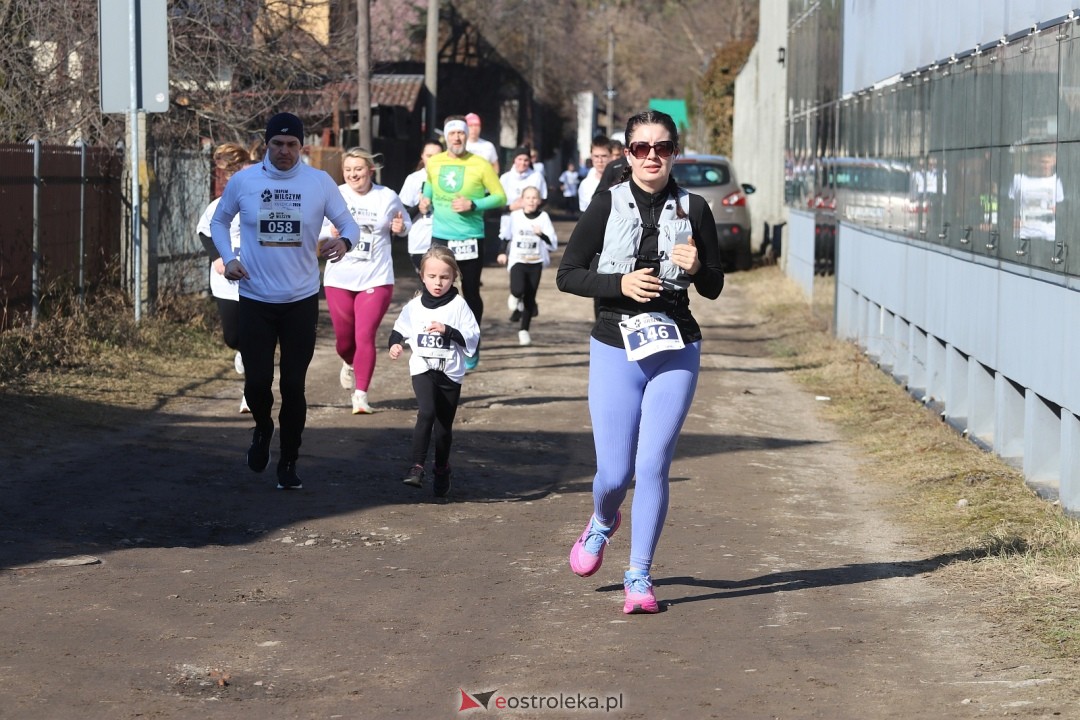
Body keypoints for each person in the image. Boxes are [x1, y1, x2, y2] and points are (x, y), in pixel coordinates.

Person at [556, 109, 724, 614]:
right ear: (628, 154)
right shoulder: (605, 205)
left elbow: (714, 285)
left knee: (651, 467)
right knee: (614, 473)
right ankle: (603, 521)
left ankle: (639, 576)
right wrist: (619, 284)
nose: (653, 156)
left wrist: (697, 269)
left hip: (676, 346)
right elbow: (568, 274)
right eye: (642, 148)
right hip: (615, 345)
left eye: (664, 147)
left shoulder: (695, 208)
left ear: (675, 152)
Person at [212, 112, 360, 490]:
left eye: (291, 144)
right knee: (258, 381)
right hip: (256, 297)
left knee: (294, 385)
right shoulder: (245, 181)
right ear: (266, 144)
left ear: (302, 146)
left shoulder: (319, 182)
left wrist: (343, 242)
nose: (284, 151)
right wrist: (229, 259)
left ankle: (289, 460)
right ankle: (263, 428)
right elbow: (218, 221)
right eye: (277, 144)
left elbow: (350, 225)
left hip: (300, 299)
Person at [321, 147, 411, 415]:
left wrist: (400, 228)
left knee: (365, 336)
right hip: (339, 276)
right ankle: (349, 362)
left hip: (377, 276)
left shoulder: (387, 197)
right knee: (344, 341)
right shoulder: (335, 194)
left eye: (358, 169)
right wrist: (330, 232)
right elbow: (318, 228)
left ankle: (360, 395)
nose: (352, 174)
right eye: (348, 170)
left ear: (370, 170)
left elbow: (405, 223)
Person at [388, 246, 480, 498]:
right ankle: (417, 467)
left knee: (443, 428)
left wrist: (448, 330)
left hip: (450, 372)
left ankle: (441, 468)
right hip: (423, 367)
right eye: (432, 276)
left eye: (444, 277)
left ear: (453, 278)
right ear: (422, 276)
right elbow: (399, 330)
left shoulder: (459, 305)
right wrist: (395, 344)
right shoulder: (415, 306)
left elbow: (472, 338)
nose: (438, 282)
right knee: (426, 412)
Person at [423, 115, 507, 370]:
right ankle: (437, 340)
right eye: (452, 134)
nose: (457, 138)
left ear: (466, 135)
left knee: (470, 291)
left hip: (470, 237)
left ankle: (471, 342)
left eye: (460, 133)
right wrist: (424, 199)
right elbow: (429, 186)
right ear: (445, 137)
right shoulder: (434, 162)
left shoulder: (480, 164)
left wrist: (474, 204)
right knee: (436, 289)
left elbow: (501, 197)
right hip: (441, 234)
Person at [196, 141, 253, 413]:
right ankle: (242, 351)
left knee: (257, 338)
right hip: (227, 283)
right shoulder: (220, 205)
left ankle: (250, 395)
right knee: (233, 337)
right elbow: (204, 232)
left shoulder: (269, 204)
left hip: (259, 282)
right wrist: (218, 257)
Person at [497, 186, 557, 346]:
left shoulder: (543, 217)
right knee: (517, 289)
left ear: (539, 201)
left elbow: (553, 243)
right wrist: (502, 252)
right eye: (528, 198)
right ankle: (516, 296)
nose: (531, 201)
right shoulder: (515, 216)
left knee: (530, 297)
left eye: (534, 198)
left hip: (535, 262)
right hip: (518, 260)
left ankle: (524, 330)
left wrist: (541, 235)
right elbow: (505, 236)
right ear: (522, 200)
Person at [399, 139, 444, 271]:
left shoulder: (450, 177)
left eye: (437, 156)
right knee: (428, 285)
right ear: (422, 157)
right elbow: (403, 214)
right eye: (429, 156)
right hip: (420, 244)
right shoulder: (414, 179)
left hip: (446, 242)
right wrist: (419, 207)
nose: (433, 160)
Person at [500, 146, 548, 211]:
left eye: (526, 160)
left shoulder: (537, 176)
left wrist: (529, 209)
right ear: (514, 160)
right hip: (508, 217)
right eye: (519, 159)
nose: (522, 163)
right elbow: (498, 202)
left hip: (530, 218)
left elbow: (543, 198)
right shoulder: (505, 178)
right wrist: (510, 208)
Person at [578, 135, 611, 212]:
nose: (600, 160)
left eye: (604, 156)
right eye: (596, 156)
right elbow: (584, 213)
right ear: (591, 157)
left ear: (610, 156)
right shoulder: (585, 185)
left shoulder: (622, 180)